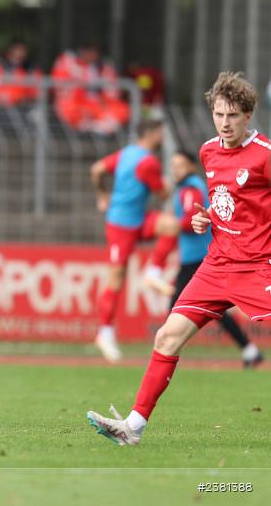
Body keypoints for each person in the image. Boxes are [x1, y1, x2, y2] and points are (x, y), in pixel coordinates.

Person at [87, 71, 271, 445]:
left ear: (248, 116)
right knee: (167, 337)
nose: (225, 122)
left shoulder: (264, 155)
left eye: (233, 115)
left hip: (256, 266)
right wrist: (206, 219)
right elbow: (225, 205)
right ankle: (132, 428)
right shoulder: (208, 151)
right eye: (219, 114)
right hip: (216, 265)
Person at [90, 118, 179, 363]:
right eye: (159, 133)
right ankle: (105, 332)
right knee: (116, 278)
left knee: (170, 225)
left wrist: (102, 194)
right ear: (150, 133)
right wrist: (172, 183)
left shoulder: (127, 153)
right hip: (121, 225)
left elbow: (97, 169)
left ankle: (153, 272)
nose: (162, 138)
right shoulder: (147, 161)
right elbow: (162, 193)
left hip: (137, 219)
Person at [169, 150, 263, 368]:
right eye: (173, 166)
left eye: (180, 165)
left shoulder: (191, 189)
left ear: (192, 166)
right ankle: (249, 350)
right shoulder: (190, 186)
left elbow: (190, 221)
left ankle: (169, 351)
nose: (176, 170)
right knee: (211, 310)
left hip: (198, 257)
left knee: (177, 307)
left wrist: (170, 224)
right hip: (199, 256)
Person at [52, 43, 130, 134]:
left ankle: (99, 130)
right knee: (68, 107)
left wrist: (104, 99)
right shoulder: (68, 61)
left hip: (97, 105)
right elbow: (61, 87)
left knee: (121, 109)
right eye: (89, 51)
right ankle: (88, 130)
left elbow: (112, 91)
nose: (92, 54)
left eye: (95, 51)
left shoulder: (104, 66)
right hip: (77, 103)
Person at [0, 39, 42, 110]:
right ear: (11, 49)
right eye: (18, 49)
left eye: (23, 50)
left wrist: (26, 98)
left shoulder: (31, 68)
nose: (20, 52)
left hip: (23, 106)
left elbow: (36, 91)